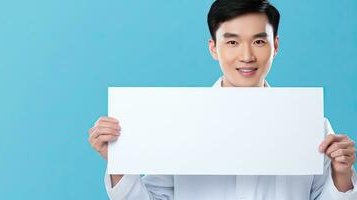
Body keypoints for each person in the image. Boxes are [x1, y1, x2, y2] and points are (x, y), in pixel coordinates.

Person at [88, 0, 357, 199]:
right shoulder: (181, 120)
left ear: (275, 45)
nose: (247, 56)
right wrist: (118, 161)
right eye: (232, 42)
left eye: (259, 42)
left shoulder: (310, 124)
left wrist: (342, 173)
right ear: (213, 48)